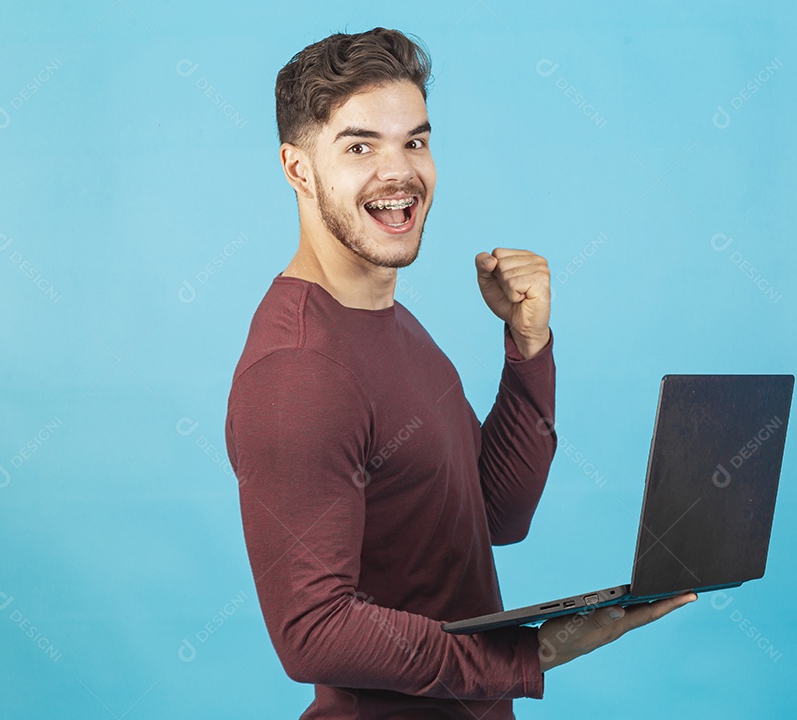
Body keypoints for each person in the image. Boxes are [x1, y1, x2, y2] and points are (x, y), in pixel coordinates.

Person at [223, 26, 695, 719]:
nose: (400, 172)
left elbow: (496, 513)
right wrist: (532, 654)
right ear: (297, 168)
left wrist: (527, 348)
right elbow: (312, 634)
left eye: (414, 141)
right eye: (360, 146)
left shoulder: (394, 323)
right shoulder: (299, 370)